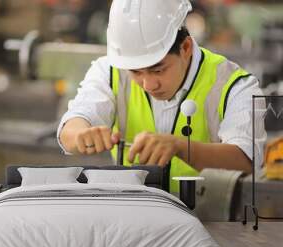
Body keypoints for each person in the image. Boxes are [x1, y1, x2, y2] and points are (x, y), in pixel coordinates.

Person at [57, 0, 266, 193]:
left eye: (158, 70)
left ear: (185, 48)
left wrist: (181, 147)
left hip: (211, 221)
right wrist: (82, 136)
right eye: (136, 72)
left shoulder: (235, 85)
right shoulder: (110, 71)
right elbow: (71, 128)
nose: (148, 84)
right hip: (134, 214)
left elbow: (247, 161)